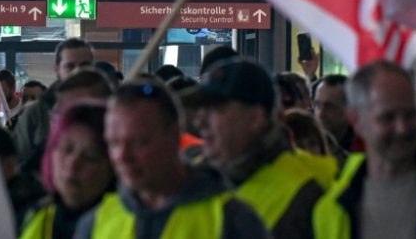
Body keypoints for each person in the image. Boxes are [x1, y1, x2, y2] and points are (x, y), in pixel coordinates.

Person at [75, 80, 270, 239]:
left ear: (175, 135)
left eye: (139, 142)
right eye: (114, 143)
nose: (123, 156)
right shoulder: (96, 222)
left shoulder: (231, 220)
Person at [192, 58, 325, 239]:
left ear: (255, 118)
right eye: (201, 109)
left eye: (216, 109)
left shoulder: (305, 195)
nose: (199, 122)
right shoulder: (189, 180)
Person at [313, 60, 416, 238]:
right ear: (356, 120)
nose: (402, 128)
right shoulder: (331, 211)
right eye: (387, 118)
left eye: (410, 115)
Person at [20, 102, 114, 239]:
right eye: (66, 149)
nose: (73, 163)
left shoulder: (131, 222)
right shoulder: (34, 214)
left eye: (90, 155)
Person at [12, 38, 94, 172]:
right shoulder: (36, 113)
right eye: (70, 66)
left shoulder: (108, 111)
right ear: (57, 69)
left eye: (84, 65)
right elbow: (18, 163)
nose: (77, 72)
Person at [312, 74, 357, 165]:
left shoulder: (360, 150)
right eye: (317, 105)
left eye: (329, 107)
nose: (321, 114)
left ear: (349, 110)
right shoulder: (305, 145)